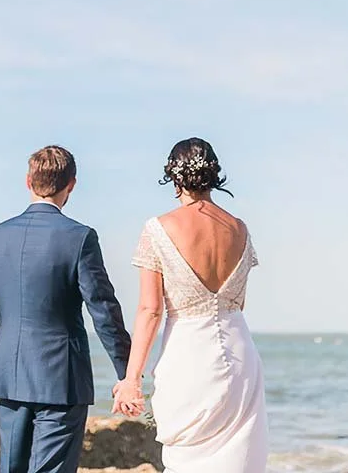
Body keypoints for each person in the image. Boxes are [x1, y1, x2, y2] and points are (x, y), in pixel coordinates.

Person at [0, 145, 133, 473]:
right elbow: (102, 309)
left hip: (10, 378)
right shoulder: (80, 238)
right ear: (71, 184)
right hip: (63, 378)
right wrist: (127, 371)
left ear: (28, 181)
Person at [113, 137, 269, 473]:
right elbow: (239, 301)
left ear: (174, 176)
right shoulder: (239, 229)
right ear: (213, 175)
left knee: (187, 459)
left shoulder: (158, 228)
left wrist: (131, 378)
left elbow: (150, 310)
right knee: (241, 454)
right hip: (240, 351)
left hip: (188, 353)